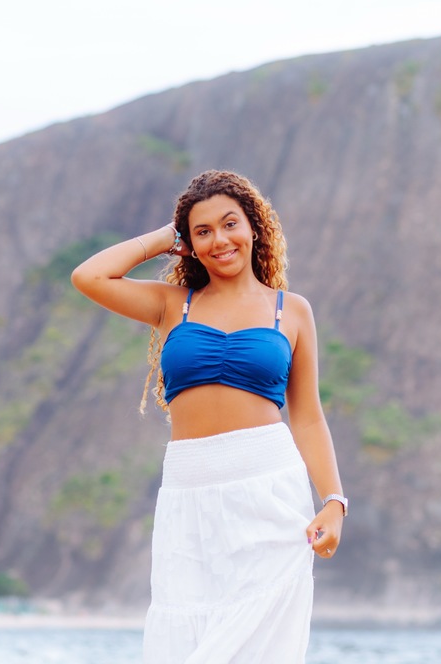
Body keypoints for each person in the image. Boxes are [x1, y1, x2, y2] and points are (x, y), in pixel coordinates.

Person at [71, 169, 346, 664]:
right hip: (189, 491)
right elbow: (88, 277)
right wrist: (162, 238)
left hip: (269, 490)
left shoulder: (292, 311)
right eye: (202, 231)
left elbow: (307, 416)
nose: (220, 240)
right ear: (189, 244)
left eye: (230, 223)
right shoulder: (172, 305)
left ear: (254, 228)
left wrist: (333, 501)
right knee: (186, 643)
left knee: (260, 645)